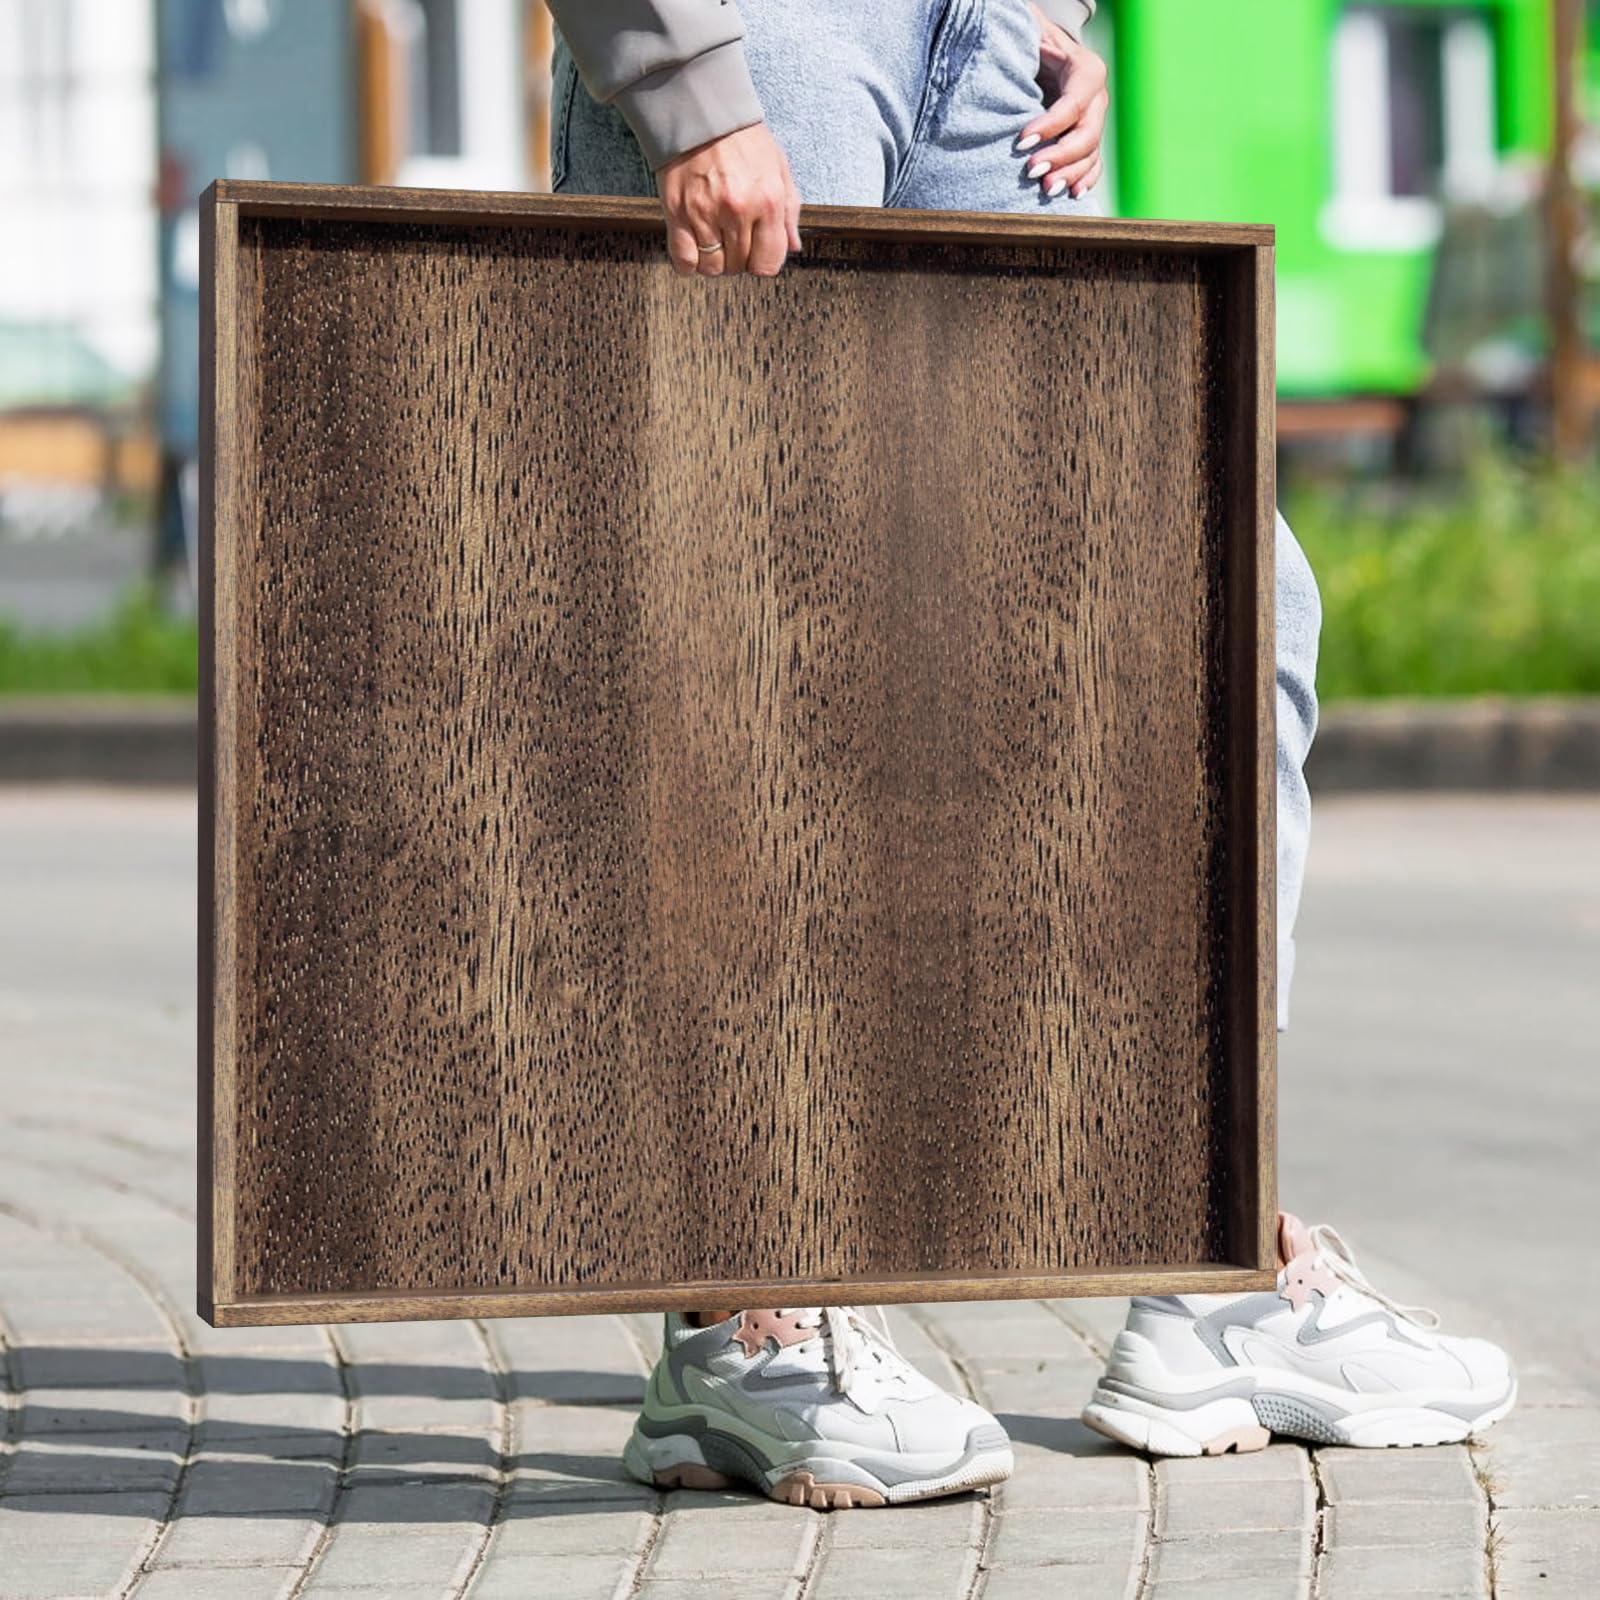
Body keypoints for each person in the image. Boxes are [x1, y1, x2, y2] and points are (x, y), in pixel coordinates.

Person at [543, 0, 1518, 1509]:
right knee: (762, 631)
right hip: (766, 43)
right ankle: (744, 1316)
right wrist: (679, 75)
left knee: (1214, 609)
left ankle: (1202, 1252)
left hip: (984, 56)